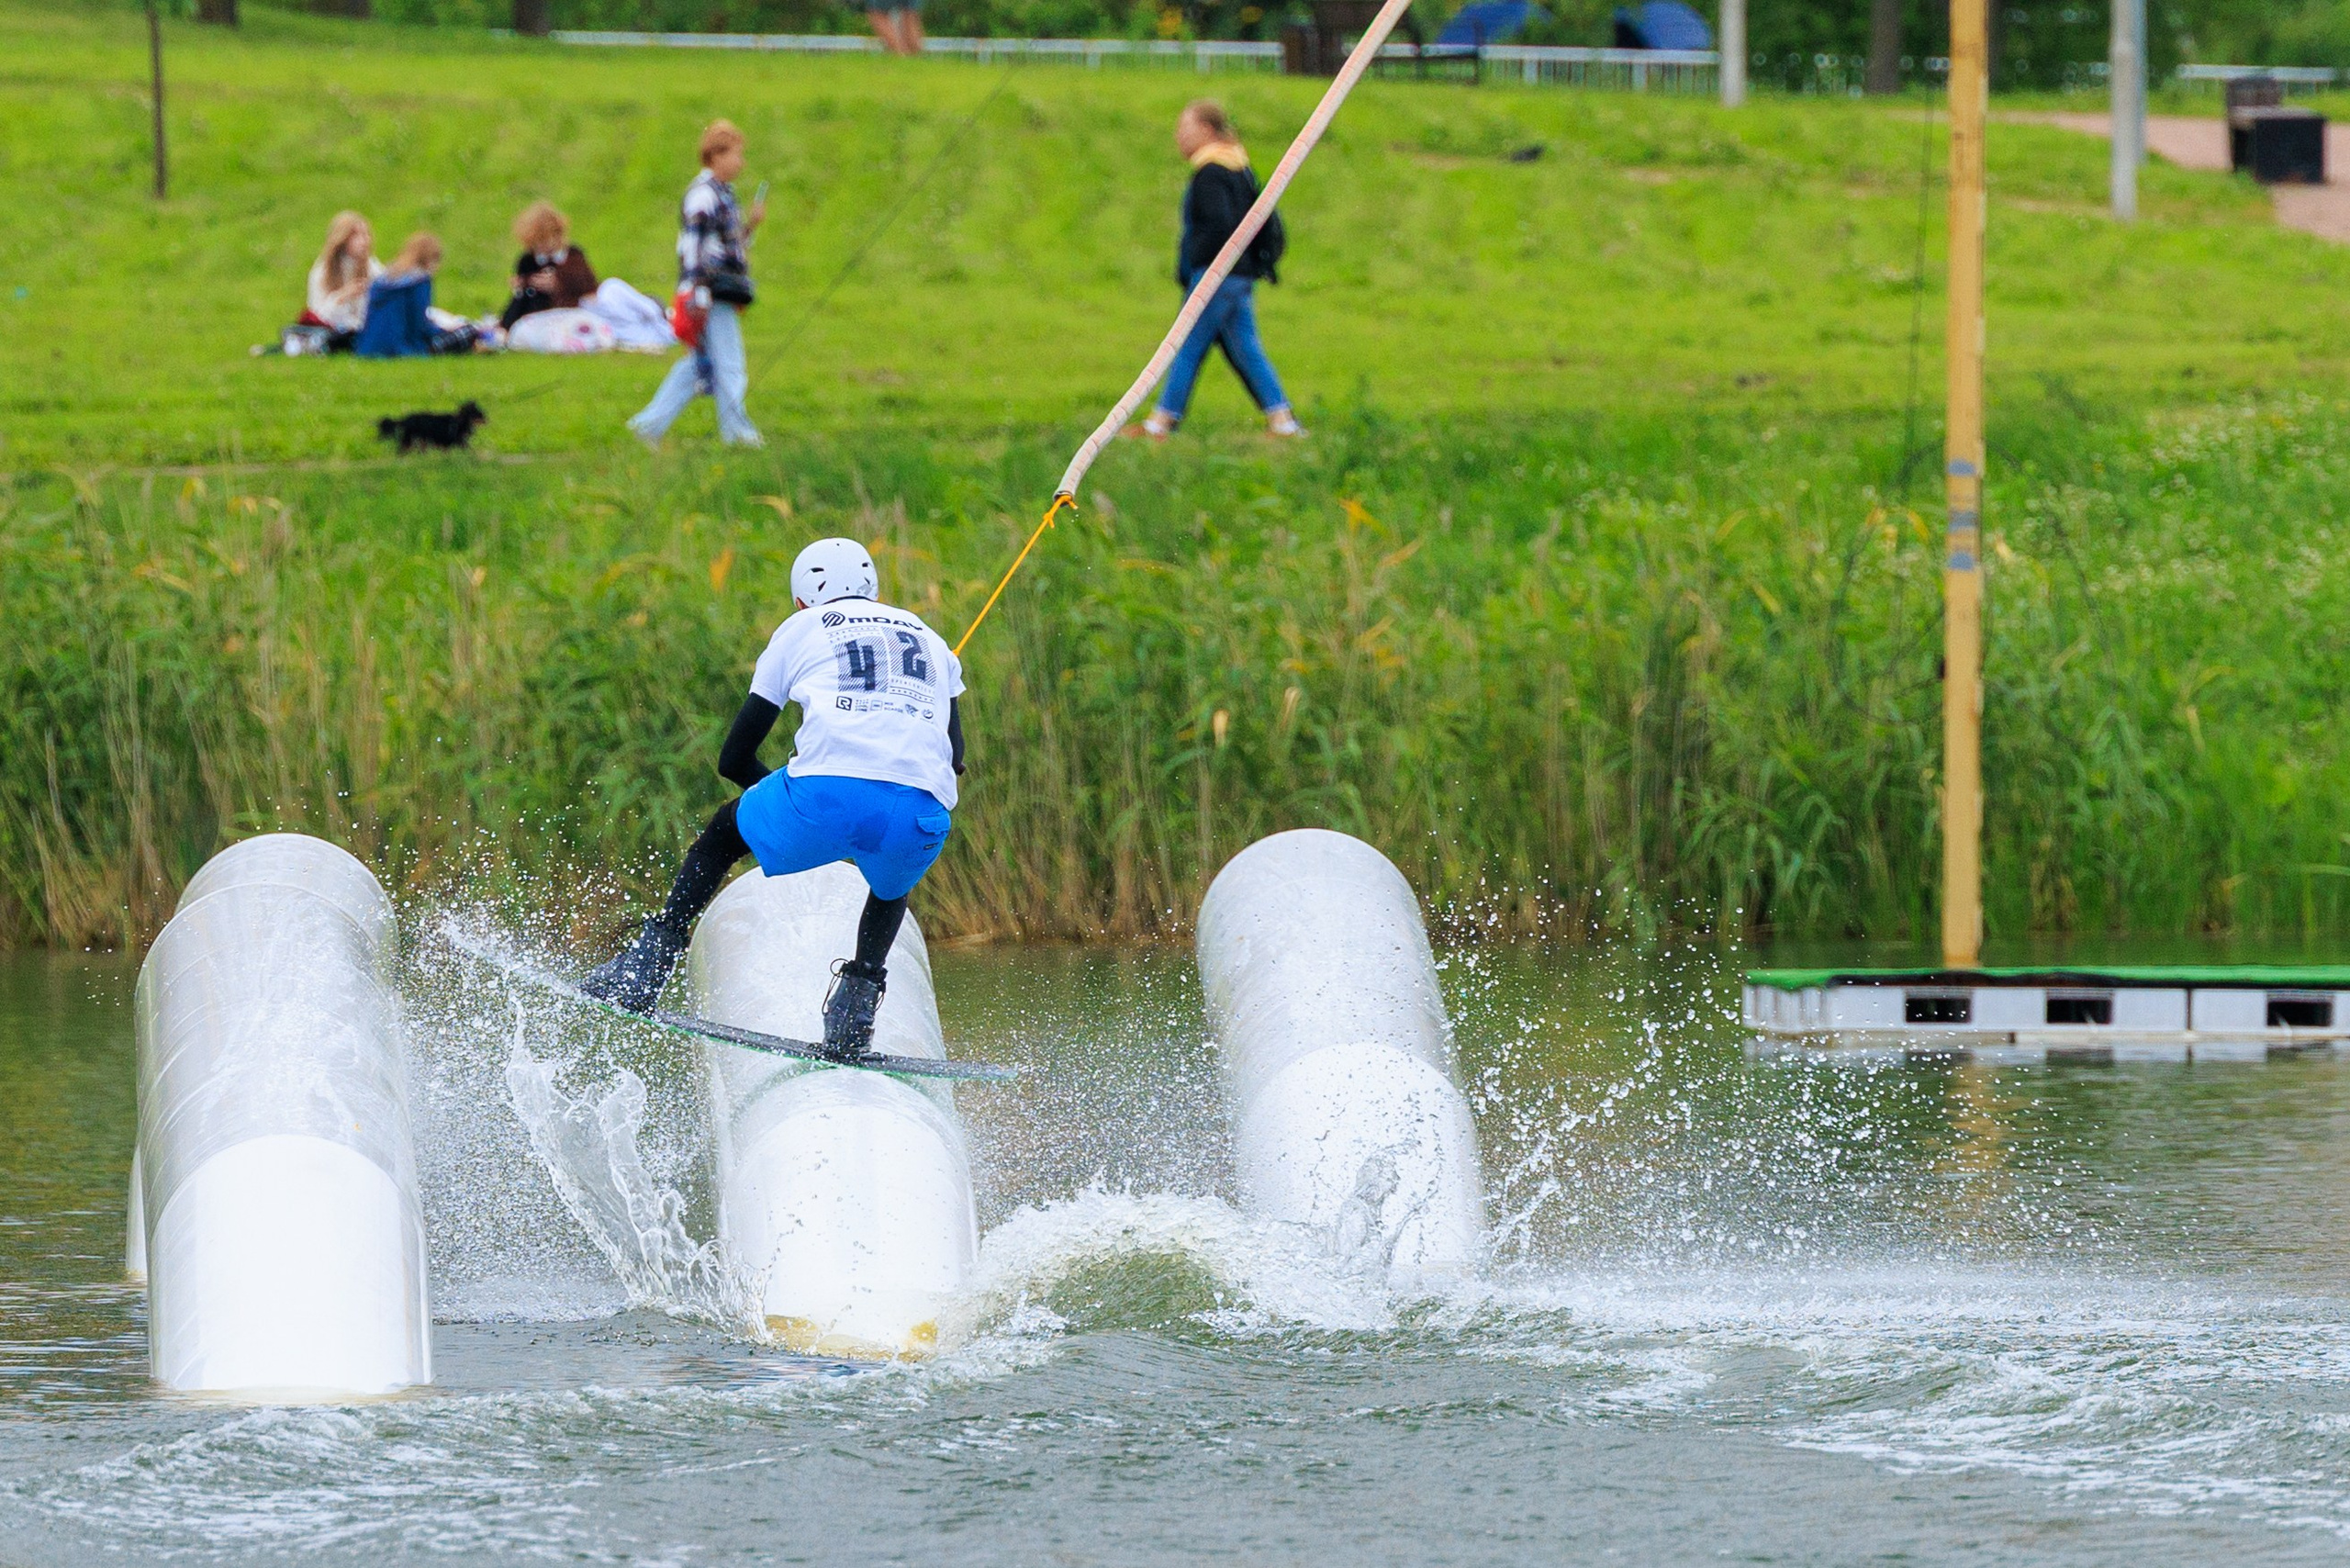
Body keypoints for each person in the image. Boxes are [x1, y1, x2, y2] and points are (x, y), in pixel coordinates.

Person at [581, 538, 968, 1058]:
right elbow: (955, 757)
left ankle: (648, 963)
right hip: (922, 815)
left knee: (722, 835)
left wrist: (796, 811)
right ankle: (855, 1014)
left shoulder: (801, 629)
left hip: (824, 795)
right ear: (874, 591)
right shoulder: (933, 640)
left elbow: (734, 759)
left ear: (801, 601)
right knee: (890, 886)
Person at [1129, 101, 1304, 442]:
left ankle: (1161, 423)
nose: (1179, 136)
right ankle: (1282, 421)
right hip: (1238, 276)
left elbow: (1217, 227)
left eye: (1185, 128)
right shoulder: (1240, 167)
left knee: (1188, 343)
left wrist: (1197, 266)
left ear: (1207, 131)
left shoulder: (1210, 172)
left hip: (1216, 274)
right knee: (1244, 345)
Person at [628, 119, 766, 449]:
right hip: (708, 294)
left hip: (717, 291)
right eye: (736, 154)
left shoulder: (724, 194)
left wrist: (751, 227)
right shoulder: (703, 196)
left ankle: (648, 425)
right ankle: (738, 434)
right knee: (730, 364)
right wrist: (699, 296)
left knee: (699, 366)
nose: (740, 162)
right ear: (715, 155)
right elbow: (694, 248)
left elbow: (727, 247)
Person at [355, 232, 482, 357]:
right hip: (402, 348)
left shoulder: (381, 280)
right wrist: (444, 330)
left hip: (368, 347)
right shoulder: (419, 282)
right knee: (469, 331)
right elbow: (420, 326)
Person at [500, 201, 600, 330]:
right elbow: (521, 298)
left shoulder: (573, 256)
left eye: (543, 240)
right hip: (535, 316)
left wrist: (559, 284)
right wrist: (523, 284)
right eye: (535, 243)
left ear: (557, 234)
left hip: (570, 314)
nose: (540, 247)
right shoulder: (528, 260)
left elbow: (589, 287)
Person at [303, 210, 382, 346]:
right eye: (356, 236)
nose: (365, 241)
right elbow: (316, 316)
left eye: (366, 234)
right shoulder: (323, 270)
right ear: (343, 239)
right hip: (334, 332)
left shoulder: (371, 266)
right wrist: (343, 295)